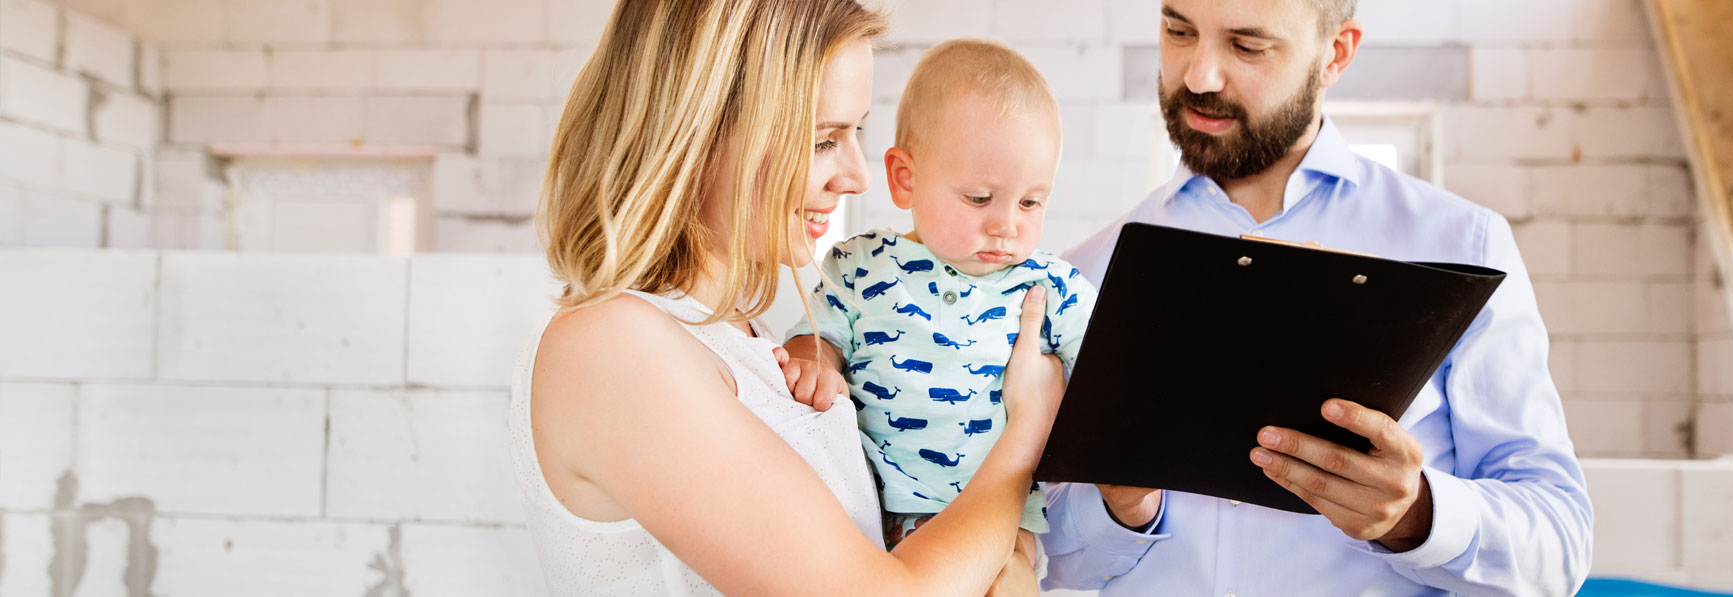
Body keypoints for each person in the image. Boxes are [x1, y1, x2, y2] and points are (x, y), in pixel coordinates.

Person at [506, 1, 1067, 594]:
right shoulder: (609, 349)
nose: (856, 176)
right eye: (824, 140)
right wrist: (1025, 432)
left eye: (855, 134)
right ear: (699, 131)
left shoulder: (749, 344)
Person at [1039, 1, 1594, 595]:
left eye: (1247, 46)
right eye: (1179, 32)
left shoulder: (1463, 245)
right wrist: (1118, 509)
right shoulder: (1082, 275)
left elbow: (1559, 548)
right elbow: (1036, 557)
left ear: (1336, 54)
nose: (1198, 76)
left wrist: (1417, 515)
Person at [777, 38, 1095, 596]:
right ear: (905, 179)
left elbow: (1109, 372)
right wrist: (813, 356)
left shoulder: (1050, 287)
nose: (1007, 226)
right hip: (875, 520)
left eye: (1030, 203)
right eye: (980, 198)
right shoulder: (858, 266)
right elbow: (819, 331)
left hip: (1002, 524)